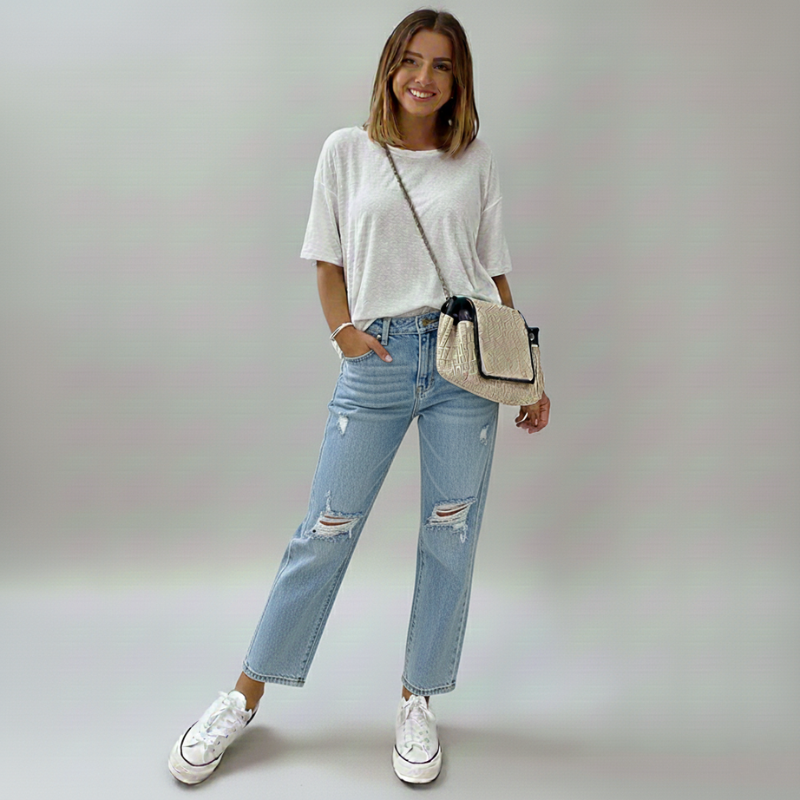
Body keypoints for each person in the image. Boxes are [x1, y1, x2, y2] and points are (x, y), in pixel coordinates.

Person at [168, 8, 550, 786]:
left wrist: (529, 377)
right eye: (412, 60)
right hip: (376, 358)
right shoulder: (348, 150)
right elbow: (326, 257)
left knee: (450, 536)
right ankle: (241, 700)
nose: (424, 77)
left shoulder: (473, 158)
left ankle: (417, 700)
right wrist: (344, 333)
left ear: (458, 80)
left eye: (442, 65)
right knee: (324, 531)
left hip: (463, 367)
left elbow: (494, 269)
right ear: (388, 67)